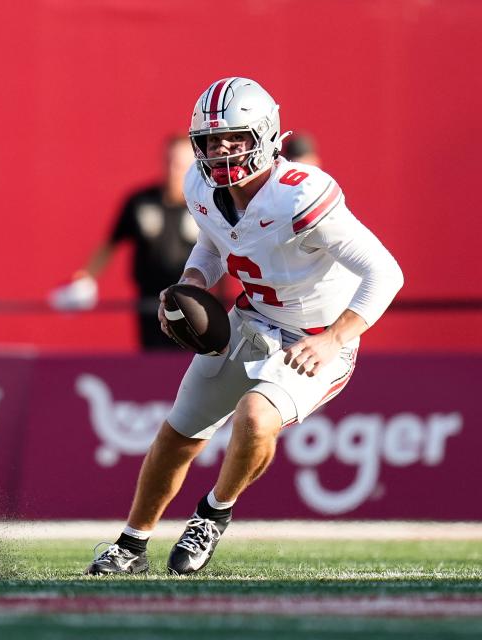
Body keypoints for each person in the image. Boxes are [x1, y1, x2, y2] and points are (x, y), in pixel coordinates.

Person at [85, 77, 403, 576]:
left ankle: (212, 513)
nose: (221, 149)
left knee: (256, 416)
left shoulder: (300, 196)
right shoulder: (200, 185)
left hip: (315, 337)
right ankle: (131, 544)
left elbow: (385, 271)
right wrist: (192, 281)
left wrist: (334, 339)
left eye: (235, 137)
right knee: (178, 434)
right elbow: (214, 243)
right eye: (212, 140)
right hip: (250, 319)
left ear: (267, 136)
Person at [49, 136, 199, 349]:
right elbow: (110, 244)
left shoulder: (207, 205)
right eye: (170, 162)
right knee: (155, 363)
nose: (175, 170)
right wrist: (86, 277)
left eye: (182, 165)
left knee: (193, 363)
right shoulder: (140, 202)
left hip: (196, 302)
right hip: (150, 302)